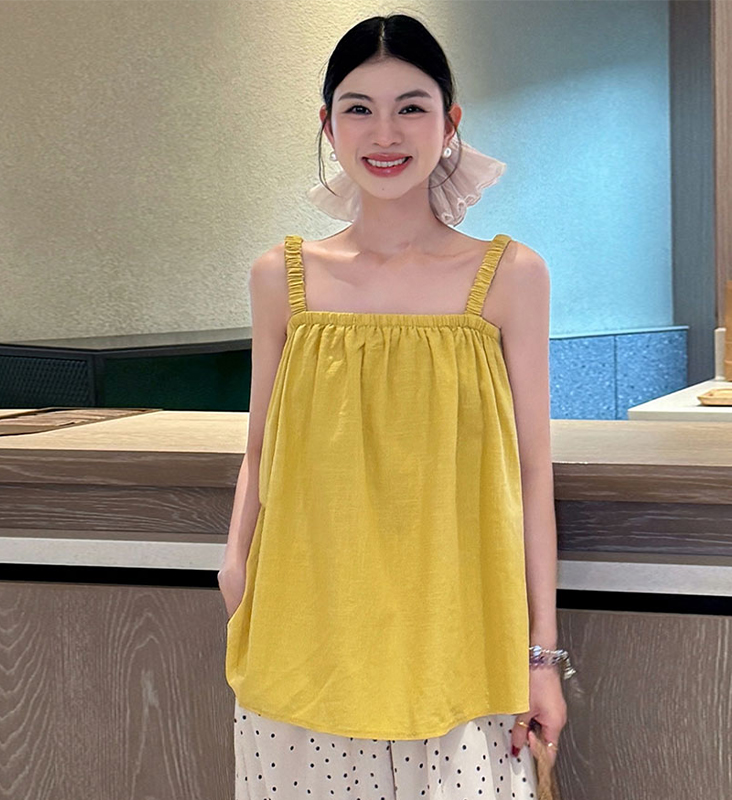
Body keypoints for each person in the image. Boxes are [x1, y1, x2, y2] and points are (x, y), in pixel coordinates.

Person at [218, 13, 571, 799]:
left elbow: (532, 474)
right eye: (359, 108)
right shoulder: (282, 276)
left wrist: (541, 656)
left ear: (450, 123)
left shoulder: (511, 275)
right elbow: (261, 445)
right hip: (304, 638)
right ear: (327, 125)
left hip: (462, 647)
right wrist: (236, 564)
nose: (385, 133)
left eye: (411, 107)